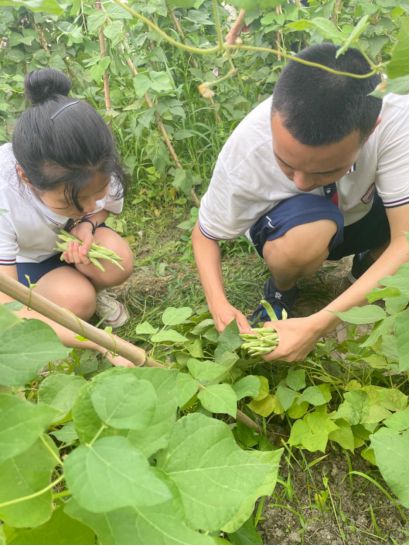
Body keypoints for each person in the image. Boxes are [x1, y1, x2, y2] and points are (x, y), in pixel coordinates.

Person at [192, 43, 408, 362]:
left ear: (371, 130)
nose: (301, 182)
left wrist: (316, 326)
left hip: (364, 210)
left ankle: (368, 265)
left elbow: (405, 239)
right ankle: (284, 287)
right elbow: (205, 235)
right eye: (286, 163)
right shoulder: (247, 150)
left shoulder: (395, 117)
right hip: (298, 227)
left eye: (326, 169)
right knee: (304, 238)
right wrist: (219, 305)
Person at [0, 68, 135, 366]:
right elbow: (7, 304)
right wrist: (102, 344)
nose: (89, 205)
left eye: (95, 192)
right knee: (77, 301)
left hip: (62, 246)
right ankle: (63, 312)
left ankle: (86, 292)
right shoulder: (4, 196)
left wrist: (87, 225)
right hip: (22, 265)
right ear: (25, 177)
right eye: (71, 201)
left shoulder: (91, 162)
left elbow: (100, 206)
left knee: (118, 260)